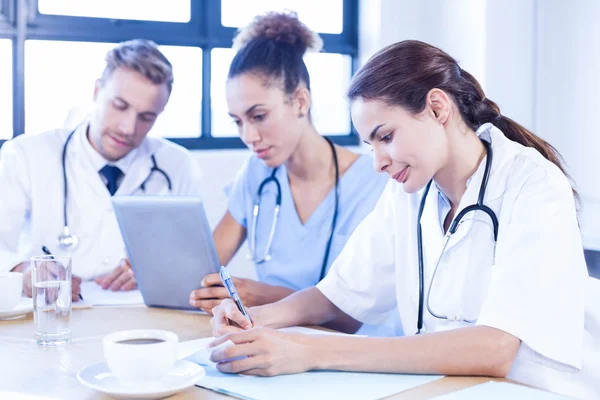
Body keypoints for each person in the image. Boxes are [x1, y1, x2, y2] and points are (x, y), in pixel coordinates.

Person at [209, 40, 600, 399]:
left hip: (535, 390)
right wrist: (255, 318)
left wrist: (311, 350)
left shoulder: (532, 182)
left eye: (387, 137)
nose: (378, 162)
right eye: (370, 145)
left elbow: (495, 348)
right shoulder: (408, 193)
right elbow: (340, 295)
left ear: (437, 107)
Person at [189, 12, 392, 334]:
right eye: (238, 121)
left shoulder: (375, 183)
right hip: (271, 341)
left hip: (351, 353)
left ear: (300, 101)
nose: (249, 137)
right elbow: (202, 269)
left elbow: (361, 312)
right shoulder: (256, 175)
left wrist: (268, 297)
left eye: (258, 115)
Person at [0, 39, 203, 300]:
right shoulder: (27, 154)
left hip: (141, 315)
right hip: (55, 312)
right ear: (97, 92)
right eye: (119, 106)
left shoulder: (178, 165)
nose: (128, 128)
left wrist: (156, 269)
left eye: (146, 117)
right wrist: (24, 270)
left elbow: (191, 261)